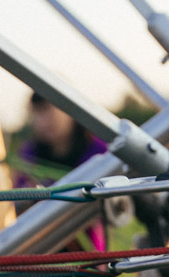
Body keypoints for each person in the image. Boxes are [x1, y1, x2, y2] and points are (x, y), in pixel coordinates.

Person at [15, 94, 109, 253]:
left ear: (69, 110)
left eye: (49, 111)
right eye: (38, 113)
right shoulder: (28, 155)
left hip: (88, 257)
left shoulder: (99, 152)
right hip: (39, 250)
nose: (43, 121)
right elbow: (16, 198)